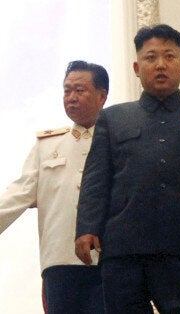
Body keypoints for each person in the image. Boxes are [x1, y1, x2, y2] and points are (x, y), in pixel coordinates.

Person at [74, 24, 180, 313]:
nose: (161, 65)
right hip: (124, 253)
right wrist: (86, 228)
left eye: (169, 56)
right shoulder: (113, 119)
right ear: (137, 67)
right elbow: (95, 180)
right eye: (151, 57)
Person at [0, 60, 108, 313]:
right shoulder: (47, 145)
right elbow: (17, 195)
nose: (71, 97)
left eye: (79, 90)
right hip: (60, 261)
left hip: (108, 261)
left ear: (102, 96)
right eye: (66, 90)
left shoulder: (119, 141)